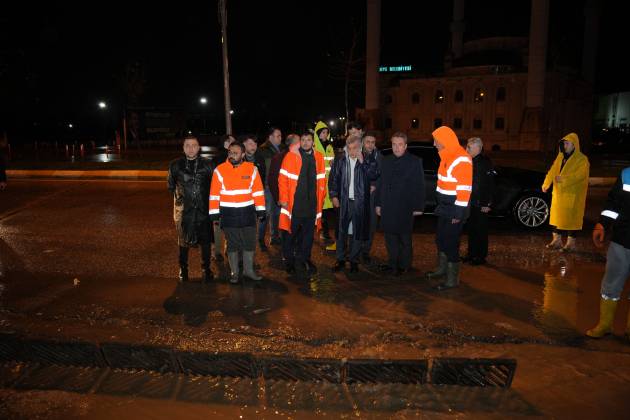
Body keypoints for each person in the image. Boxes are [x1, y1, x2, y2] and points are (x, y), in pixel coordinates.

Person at [209, 142, 266, 283]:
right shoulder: (219, 170)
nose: (232, 155)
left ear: (243, 154)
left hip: (248, 213)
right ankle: (234, 272)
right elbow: (214, 194)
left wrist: (261, 211)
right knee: (233, 244)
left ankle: (248, 271)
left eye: (235, 153)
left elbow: (258, 192)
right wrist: (214, 214)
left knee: (249, 242)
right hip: (228, 214)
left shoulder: (252, 169)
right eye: (230, 152)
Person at [426, 126, 472, 290]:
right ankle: (441, 269)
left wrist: (458, 214)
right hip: (445, 207)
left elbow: (464, 190)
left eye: (436, 141)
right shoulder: (447, 156)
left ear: (445, 141)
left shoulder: (461, 159)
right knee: (440, 239)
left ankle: (452, 279)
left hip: (455, 209)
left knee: (450, 243)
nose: (434, 144)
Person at [586, 167, 630, 339]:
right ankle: (605, 324)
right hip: (621, 239)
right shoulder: (627, 174)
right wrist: (602, 224)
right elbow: (614, 203)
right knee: (611, 285)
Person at [375, 132, 425, 276]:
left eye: (400, 145)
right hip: (388, 205)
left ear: (405, 146)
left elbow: (419, 186)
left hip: (405, 206)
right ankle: (392, 264)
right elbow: (381, 183)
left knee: (404, 238)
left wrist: (418, 207)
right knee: (390, 238)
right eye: (394, 144)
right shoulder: (386, 160)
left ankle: (404, 265)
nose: (396, 148)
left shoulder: (415, 161)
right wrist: (378, 204)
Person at [167, 136, 215, 283]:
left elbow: (214, 186)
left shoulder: (208, 164)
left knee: (205, 241)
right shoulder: (175, 165)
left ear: (199, 147)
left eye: (194, 145)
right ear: (183, 148)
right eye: (187, 145)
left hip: (203, 210)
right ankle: (183, 269)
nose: (191, 148)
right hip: (184, 211)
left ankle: (206, 269)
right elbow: (170, 186)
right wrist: (181, 200)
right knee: (183, 241)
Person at [278, 132, 327, 274]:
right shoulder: (291, 156)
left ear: (313, 142)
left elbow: (322, 180)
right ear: (300, 141)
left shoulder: (318, 157)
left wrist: (321, 199)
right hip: (294, 205)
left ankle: (305, 259)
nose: (306, 142)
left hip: (311, 205)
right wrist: (284, 199)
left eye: (309, 140)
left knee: (308, 236)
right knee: (289, 235)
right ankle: (289, 262)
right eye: (303, 140)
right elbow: (282, 179)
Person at [329, 135, 378, 272]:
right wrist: (333, 196)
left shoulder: (368, 159)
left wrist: (364, 163)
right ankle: (340, 259)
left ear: (360, 147)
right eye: (349, 148)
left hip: (360, 202)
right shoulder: (341, 160)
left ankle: (354, 260)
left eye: (355, 148)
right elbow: (333, 179)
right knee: (341, 231)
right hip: (344, 201)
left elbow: (374, 175)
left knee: (358, 232)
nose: (352, 152)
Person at [542, 133, 590, 252]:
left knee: (571, 219)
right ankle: (556, 241)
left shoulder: (582, 159)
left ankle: (570, 244)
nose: (565, 145)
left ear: (574, 145)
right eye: (564, 143)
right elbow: (552, 171)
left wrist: (564, 179)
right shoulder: (560, 157)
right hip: (559, 194)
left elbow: (580, 175)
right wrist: (546, 183)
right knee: (557, 218)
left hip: (573, 194)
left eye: (567, 143)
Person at [463, 137, 495, 265]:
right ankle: (471, 254)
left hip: (481, 202)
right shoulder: (471, 161)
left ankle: (480, 257)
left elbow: (490, 184)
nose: (466, 149)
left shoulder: (484, 162)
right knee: (471, 230)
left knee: (480, 230)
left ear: (478, 148)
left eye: (469, 147)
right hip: (472, 202)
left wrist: (487, 203)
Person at [257, 127, 284, 247]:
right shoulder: (263, 150)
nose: (280, 138)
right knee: (266, 213)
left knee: (277, 212)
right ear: (270, 137)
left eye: (280, 136)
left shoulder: (282, 149)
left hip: (278, 185)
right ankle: (261, 239)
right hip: (267, 186)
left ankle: (274, 237)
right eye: (278, 136)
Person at [241, 134, 267, 250]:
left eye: (255, 144)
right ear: (244, 145)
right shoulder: (239, 159)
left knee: (253, 225)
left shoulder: (260, 158)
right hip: (242, 198)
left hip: (255, 197)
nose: (254, 146)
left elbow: (261, 178)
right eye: (251, 143)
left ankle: (254, 248)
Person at [212, 134, 236, 262]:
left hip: (228, 198)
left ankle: (223, 250)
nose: (234, 144)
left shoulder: (235, 158)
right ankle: (219, 251)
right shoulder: (219, 159)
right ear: (225, 144)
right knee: (220, 226)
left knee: (225, 226)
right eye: (231, 142)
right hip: (222, 198)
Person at [360, 131, 382, 263]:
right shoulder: (357, 154)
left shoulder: (379, 156)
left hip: (373, 197)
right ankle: (356, 249)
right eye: (368, 142)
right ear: (363, 142)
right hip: (359, 196)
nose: (370, 145)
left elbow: (382, 176)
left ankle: (366, 251)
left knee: (371, 225)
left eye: (373, 142)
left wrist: (374, 186)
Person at [313, 121, 336, 244]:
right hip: (318, 183)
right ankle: (315, 231)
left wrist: (333, 163)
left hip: (328, 183)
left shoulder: (329, 147)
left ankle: (324, 233)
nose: (325, 134)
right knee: (317, 209)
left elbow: (332, 163)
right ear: (318, 134)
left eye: (326, 132)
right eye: (323, 132)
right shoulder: (314, 148)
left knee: (326, 210)